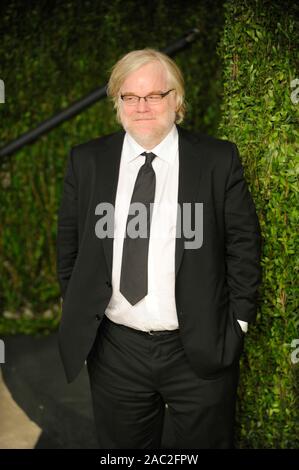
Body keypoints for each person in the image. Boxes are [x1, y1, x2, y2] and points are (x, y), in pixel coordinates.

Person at [56, 48, 262, 449]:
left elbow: (243, 244)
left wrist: (238, 322)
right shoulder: (89, 161)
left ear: (177, 100)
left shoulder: (217, 160)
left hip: (198, 345)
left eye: (154, 95)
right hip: (116, 349)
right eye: (129, 96)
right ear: (117, 103)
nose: (141, 107)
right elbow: (70, 242)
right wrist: (74, 301)